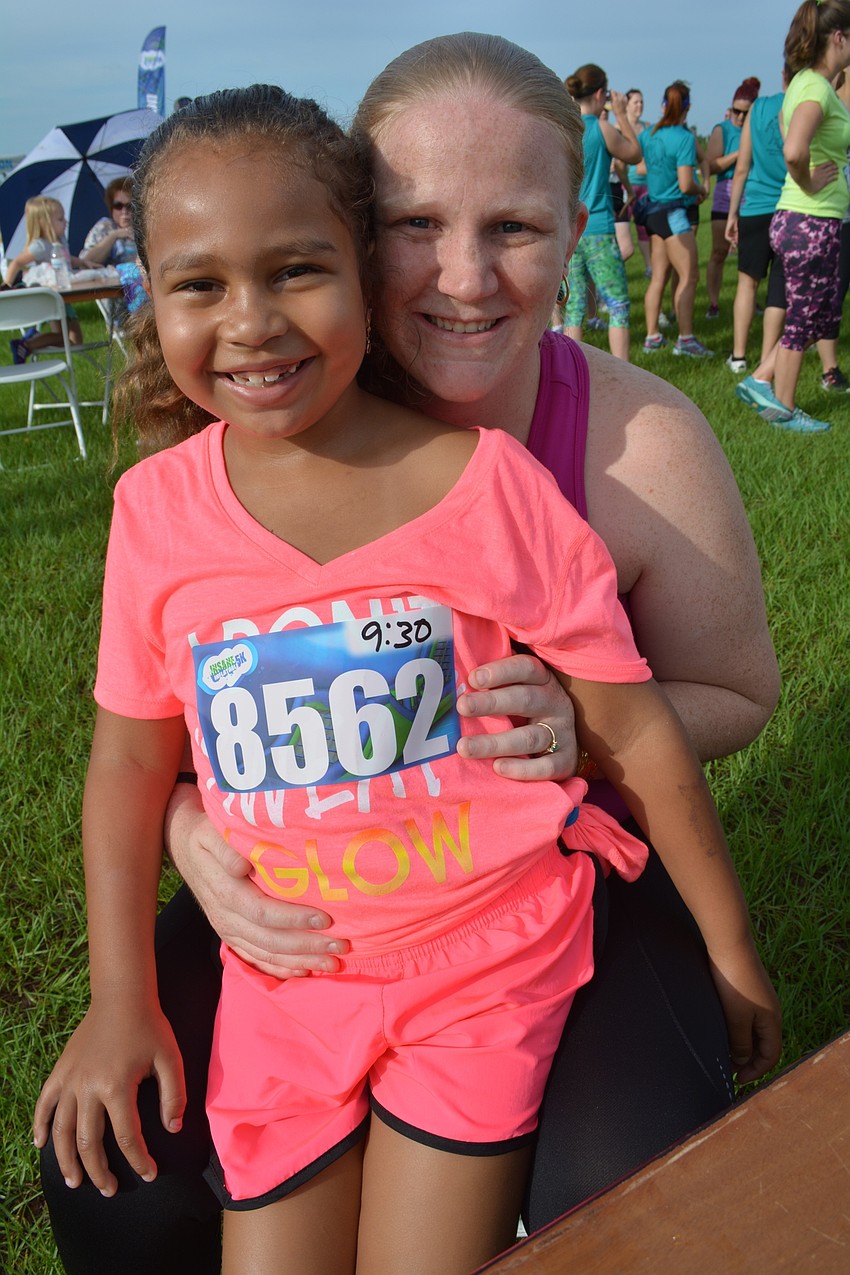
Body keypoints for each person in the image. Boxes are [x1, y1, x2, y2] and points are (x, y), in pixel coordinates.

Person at [36, 34, 782, 1274]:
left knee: (627, 1199)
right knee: (122, 1190)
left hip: (513, 909)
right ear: (358, 228)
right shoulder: (211, 465)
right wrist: (180, 832)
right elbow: (146, 738)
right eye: (417, 222)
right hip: (303, 925)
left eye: (517, 229)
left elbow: (712, 704)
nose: (463, 276)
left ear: (577, 220)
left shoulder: (614, 447)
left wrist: (579, 731)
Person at [736, 0, 850, 433]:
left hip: (807, 220)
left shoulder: (804, 82)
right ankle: (784, 409)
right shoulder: (818, 88)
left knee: (816, 313)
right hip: (810, 220)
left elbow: (793, 136)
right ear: (838, 38)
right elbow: (793, 149)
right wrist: (809, 182)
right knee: (804, 317)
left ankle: (761, 379)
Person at [561, 64, 641, 360]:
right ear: (600, 94)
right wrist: (620, 113)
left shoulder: (567, 129)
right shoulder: (600, 128)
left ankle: (571, 370)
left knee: (574, 307)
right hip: (599, 229)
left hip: (570, 232)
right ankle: (623, 376)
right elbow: (634, 153)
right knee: (618, 306)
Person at [639, 82, 714, 358]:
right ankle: (686, 339)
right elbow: (685, 184)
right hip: (674, 213)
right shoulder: (684, 138)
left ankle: (652, 337)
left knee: (658, 276)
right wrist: (702, 189)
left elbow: (641, 166)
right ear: (688, 107)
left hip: (653, 212)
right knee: (689, 276)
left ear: (662, 105)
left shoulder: (650, 134)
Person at [725, 74, 789, 372]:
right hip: (790, 206)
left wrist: (732, 213)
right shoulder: (804, 102)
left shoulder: (759, 108)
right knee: (779, 289)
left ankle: (738, 356)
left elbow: (742, 167)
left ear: (783, 74)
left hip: (754, 208)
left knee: (747, 283)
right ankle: (767, 362)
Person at [3, 196, 87, 361]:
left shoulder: (59, 240)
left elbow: (68, 259)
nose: (66, 222)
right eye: (60, 219)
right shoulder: (40, 246)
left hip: (63, 295)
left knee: (75, 340)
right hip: (51, 297)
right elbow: (17, 262)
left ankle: (31, 341)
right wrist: (7, 284)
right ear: (45, 223)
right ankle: (27, 344)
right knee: (67, 338)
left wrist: (85, 262)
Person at [705, 78, 761, 318]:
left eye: (745, 112)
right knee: (718, 253)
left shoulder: (759, 127)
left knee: (750, 258)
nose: (739, 117)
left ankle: (751, 302)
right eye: (736, 111)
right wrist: (740, 153)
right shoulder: (722, 129)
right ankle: (714, 303)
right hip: (724, 195)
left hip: (752, 197)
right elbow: (711, 164)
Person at [619, 88, 652, 272]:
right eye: (635, 102)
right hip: (627, 185)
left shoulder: (648, 128)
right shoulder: (619, 129)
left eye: (641, 102)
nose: (639, 105)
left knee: (644, 227)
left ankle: (649, 266)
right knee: (622, 230)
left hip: (647, 185)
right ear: (627, 105)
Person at [80, 176, 137, 269]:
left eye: (129, 206)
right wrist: (114, 236)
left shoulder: (146, 228)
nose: (124, 211)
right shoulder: (104, 226)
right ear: (111, 207)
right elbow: (85, 262)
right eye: (118, 205)